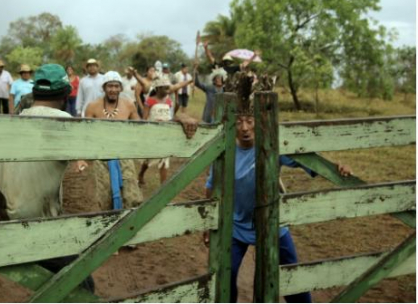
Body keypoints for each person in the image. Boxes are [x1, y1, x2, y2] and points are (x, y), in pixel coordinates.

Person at [203, 72, 353, 303]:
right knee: (226, 274)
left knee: (292, 277)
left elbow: (308, 161)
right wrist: (207, 222)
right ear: (232, 121)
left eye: (250, 120)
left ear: (259, 120)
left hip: (273, 224)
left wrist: (336, 167)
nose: (244, 127)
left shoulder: (271, 145)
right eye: (240, 120)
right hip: (236, 226)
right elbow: (211, 185)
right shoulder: (225, 151)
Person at [0, 63, 94, 292]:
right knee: (84, 286)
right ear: (65, 93)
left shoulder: (13, 121)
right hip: (38, 227)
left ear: (34, 92)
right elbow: (109, 151)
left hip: (5, 221)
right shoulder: (63, 121)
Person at [85, 71, 143, 211]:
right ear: (104, 88)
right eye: (110, 86)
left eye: (116, 86)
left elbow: (139, 127)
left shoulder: (128, 105)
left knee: (132, 196)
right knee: (105, 198)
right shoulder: (93, 106)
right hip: (102, 157)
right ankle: (110, 228)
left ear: (121, 88)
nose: (113, 90)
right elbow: (86, 133)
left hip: (124, 155)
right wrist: (83, 158)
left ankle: (129, 227)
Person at [137, 75, 194, 185]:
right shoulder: (150, 101)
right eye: (165, 88)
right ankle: (141, 174)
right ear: (158, 89)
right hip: (153, 133)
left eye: (168, 87)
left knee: (164, 158)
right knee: (149, 158)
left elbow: (171, 115)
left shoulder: (168, 101)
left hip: (165, 134)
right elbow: (144, 119)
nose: (168, 90)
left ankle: (163, 186)